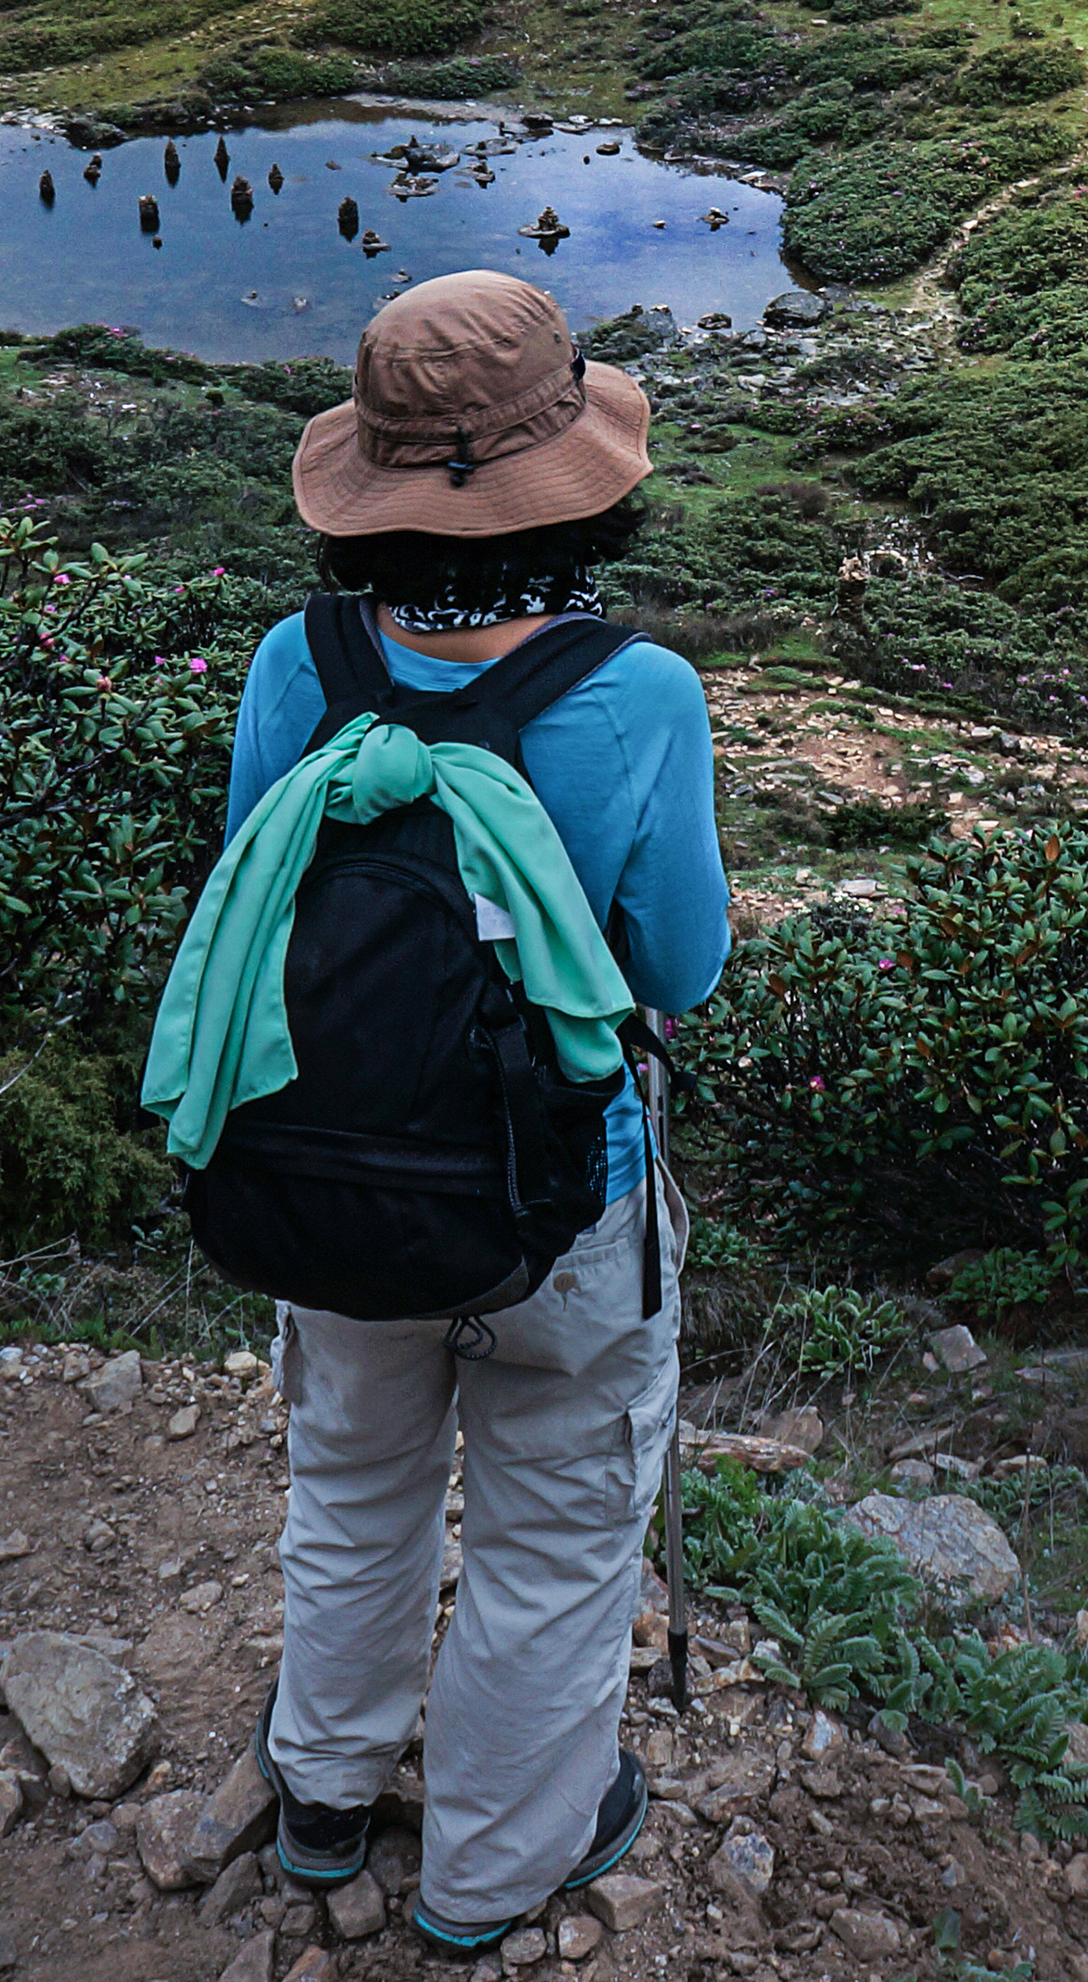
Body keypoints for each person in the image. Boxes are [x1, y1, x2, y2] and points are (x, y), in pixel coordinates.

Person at [207, 270, 726, 1956]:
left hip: (332, 1170)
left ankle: (324, 1800)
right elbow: (683, 964)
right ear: (575, 473)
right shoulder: (639, 694)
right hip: (562, 1196)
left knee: (353, 1485)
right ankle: (497, 1873)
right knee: (555, 1530)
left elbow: (246, 898)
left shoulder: (299, 663)